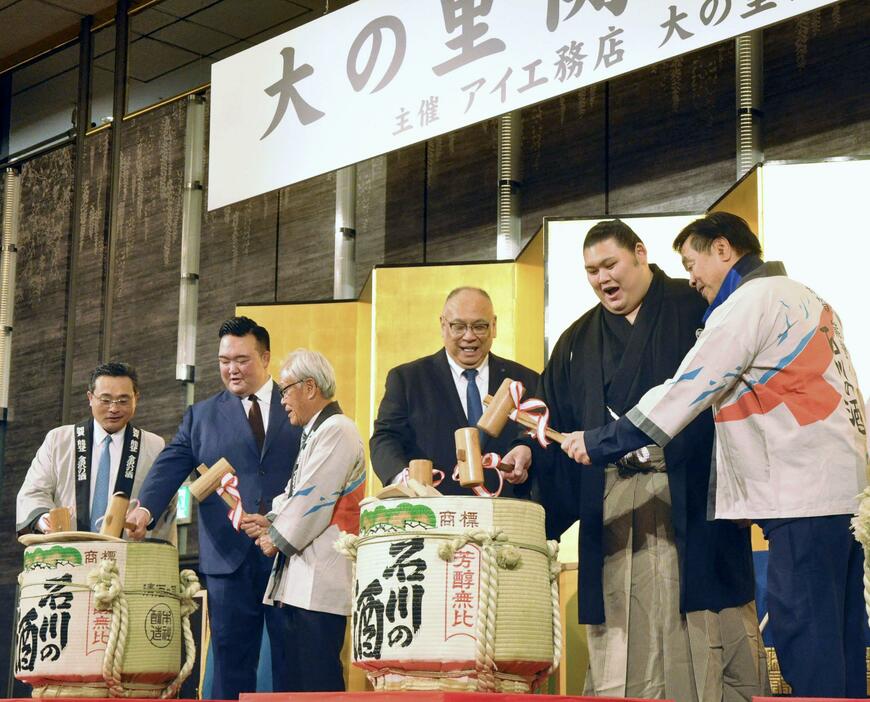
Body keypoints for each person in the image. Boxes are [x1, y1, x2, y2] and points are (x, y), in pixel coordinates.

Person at [562, 212, 869, 699]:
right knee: (842, 635)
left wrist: (599, 441)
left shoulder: (748, 302)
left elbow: (687, 390)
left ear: (722, 249)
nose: (692, 278)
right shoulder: (806, 297)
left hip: (799, 496)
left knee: (804, 633)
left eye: (692, 262)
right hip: (840, 496)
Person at [501, 220, 766, 701]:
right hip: (615, 508)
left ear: (640, 254)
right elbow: (552, 419)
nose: (602, 278)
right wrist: (525, 452)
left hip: (692, 496)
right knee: (625, 635)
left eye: (610, 264)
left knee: (708, 627)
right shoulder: (576, 340)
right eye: (591, 271)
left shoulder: (698, 309)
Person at [127, 316, 301, 699]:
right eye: (224, 360)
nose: (231, 369)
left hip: (289, 551)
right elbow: (171, 464)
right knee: (229, 660)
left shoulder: (297, 406)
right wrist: (144, 510)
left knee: (292, 661)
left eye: (241, 359)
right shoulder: (202, 415)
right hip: (228, 558)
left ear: (266, 357)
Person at [241, 348, 365, 692]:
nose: (282, 400)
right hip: (301, 580)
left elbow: (314, 497)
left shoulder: (337, 429)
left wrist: (275, 538)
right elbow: (295, 493)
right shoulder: (317, 431)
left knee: (315, 680)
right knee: (292, 682)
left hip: (321, 578)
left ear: (310, 387)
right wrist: (269, 519)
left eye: (285, 390)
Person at [370, 286, 539, 496]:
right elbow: (385, 438)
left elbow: (537, 437)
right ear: (443, 325)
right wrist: (405, 479)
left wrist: (527, 451)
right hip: (435, 511)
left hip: (507, 511)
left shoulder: (524, 381)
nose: (469, 336)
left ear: (494, 326)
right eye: (458, 326)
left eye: (480, 326)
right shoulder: (407, 379)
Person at [16, 362, 175, 542]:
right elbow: (33, 491)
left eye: (123, 401)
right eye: (105, 400)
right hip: (70, 554)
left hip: (127, 557)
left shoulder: (154, 446)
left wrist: (146, 517)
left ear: (136, 398)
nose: (114, 408)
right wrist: (44, 520)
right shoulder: (59, 441)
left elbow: (166, 500)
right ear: (90, 398)